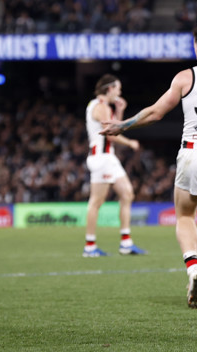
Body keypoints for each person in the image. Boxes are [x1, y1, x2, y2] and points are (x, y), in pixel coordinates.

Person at [100, 25, 197, 311]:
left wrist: (123, 125)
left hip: (193, 153)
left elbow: (155, 112)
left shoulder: (186, 76)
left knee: (184, 216)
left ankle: (193, 268)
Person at [84, 74, 146, 257]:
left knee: (127, 193)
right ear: (109, 89)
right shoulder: (101, 107)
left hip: (107, 158)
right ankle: (89, 246)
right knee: (96, 202)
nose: (119, 92)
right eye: (117, 89)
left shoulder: (98, 106)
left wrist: (119, 111)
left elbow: (114, 126)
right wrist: (130, 143)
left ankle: (126, 243)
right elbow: (111, 134)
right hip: (102, 158)